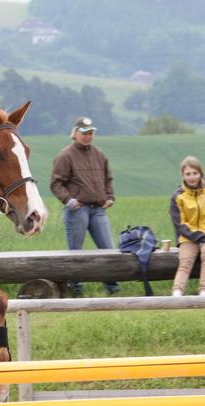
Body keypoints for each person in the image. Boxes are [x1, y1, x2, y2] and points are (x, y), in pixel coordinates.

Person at [50, 117, 120, 296]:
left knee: (109, 249)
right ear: (75, 133)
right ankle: (76, 287)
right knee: (76, 252)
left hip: (98, 209)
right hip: (77, 210)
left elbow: (108, 179)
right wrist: (69, 200)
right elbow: (56, 183)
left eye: (90, 133)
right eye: (84, 133)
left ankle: (112, 287)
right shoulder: (65, 155)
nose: (88, 136)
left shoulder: (99, 154)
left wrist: (110, 197)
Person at [169, 155, 205, 296]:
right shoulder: (177, 196)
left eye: (195, 173)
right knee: (185, 260)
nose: (192, 177)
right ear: (183, 175)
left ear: (201, 173)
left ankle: (204, 289)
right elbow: (180, 224)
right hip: (189, 236)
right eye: (188, 174)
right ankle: (177, 290)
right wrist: (202, 237)